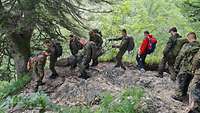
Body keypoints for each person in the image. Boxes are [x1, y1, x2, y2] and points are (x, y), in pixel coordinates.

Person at [172, 32, 200, 102]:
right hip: (195, 69)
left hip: (185, 67)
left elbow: (180, 56)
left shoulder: (187, 45)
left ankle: (179, 95)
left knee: (180, 79)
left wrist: (176, 66)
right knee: (188, 81)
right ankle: (185, 95)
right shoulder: (199, 45)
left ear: (188, 38)